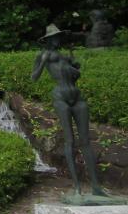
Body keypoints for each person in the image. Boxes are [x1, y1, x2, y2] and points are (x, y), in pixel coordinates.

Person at [31, 24, 104, 196]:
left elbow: (75, 75)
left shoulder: (65, 56)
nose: (58, 39)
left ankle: (96, 187)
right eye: (54, 37)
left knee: (85, 141)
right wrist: (42, 62)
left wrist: (74, 68)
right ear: (48, 40)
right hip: (60, 96)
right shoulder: (43, 55)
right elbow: (34, 78)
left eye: (59, 36)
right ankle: (77, 188)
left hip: (77, 96)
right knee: (70, 140)